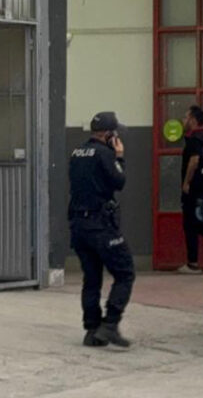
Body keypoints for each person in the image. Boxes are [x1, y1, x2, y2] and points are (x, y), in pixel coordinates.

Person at [69, 111, 135, 348]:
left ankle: (92, 329)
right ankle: (110, 324)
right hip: (101, 226)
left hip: (79, 225)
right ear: (109, 134)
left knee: (92, 278)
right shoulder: (105, 154)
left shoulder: (77, 152)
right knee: (125, 272)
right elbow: (119, 181)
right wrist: (120, 157)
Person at [178, 105, 203, 274]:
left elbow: (194, 161)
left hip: (194, 188)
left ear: (192, 120)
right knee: (202, 220)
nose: (183, 121)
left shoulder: (193, 139)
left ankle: (192, 262)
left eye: (185, 117)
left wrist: (186, 183)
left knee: (191, 223)